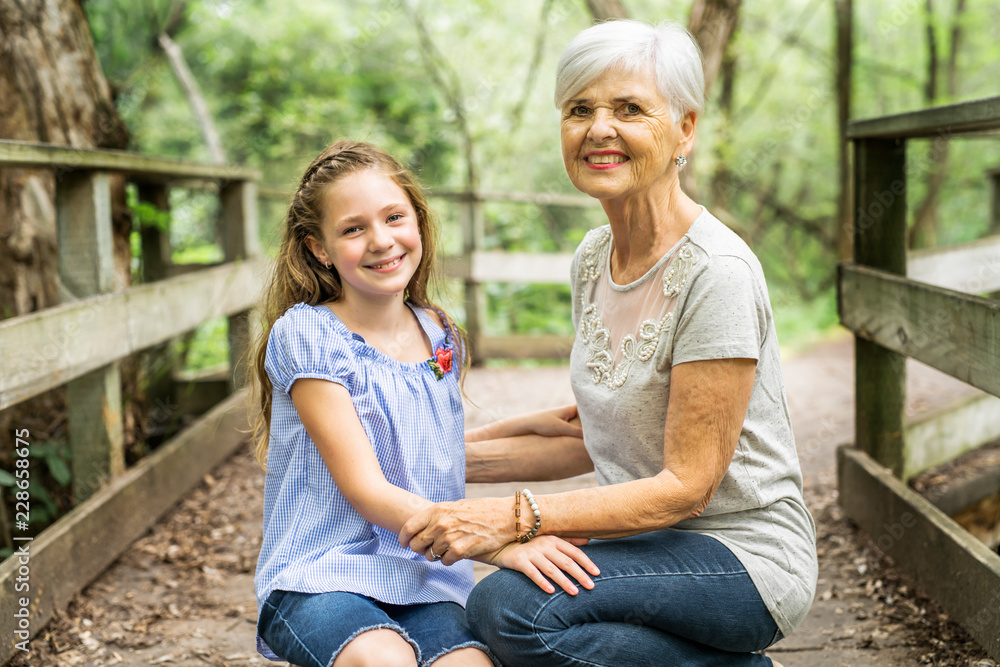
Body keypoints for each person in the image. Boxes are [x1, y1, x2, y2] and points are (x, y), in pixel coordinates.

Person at [398, 19, 817, 667]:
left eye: (628, 109)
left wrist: (515, 517)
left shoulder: (717, 274)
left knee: (509, 607)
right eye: (579, 110)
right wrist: (421, 459)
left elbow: (687, 488)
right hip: (643, 545)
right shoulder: (594, 258)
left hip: (741, 555)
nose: (599, 129)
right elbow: (591, 437)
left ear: (685, 129)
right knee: (506, 602)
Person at [249, 140, 600, 667]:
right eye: (353, 229)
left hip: (426, 578)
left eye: (394, 217)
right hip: (323, 573)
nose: (381, 240)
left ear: (417, 220)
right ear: (319, 248)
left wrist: (521, 425)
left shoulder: (438, 333)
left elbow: (417, 447)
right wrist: (499, 544)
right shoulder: (309, 335)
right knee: (385, 659)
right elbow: (367, 488)